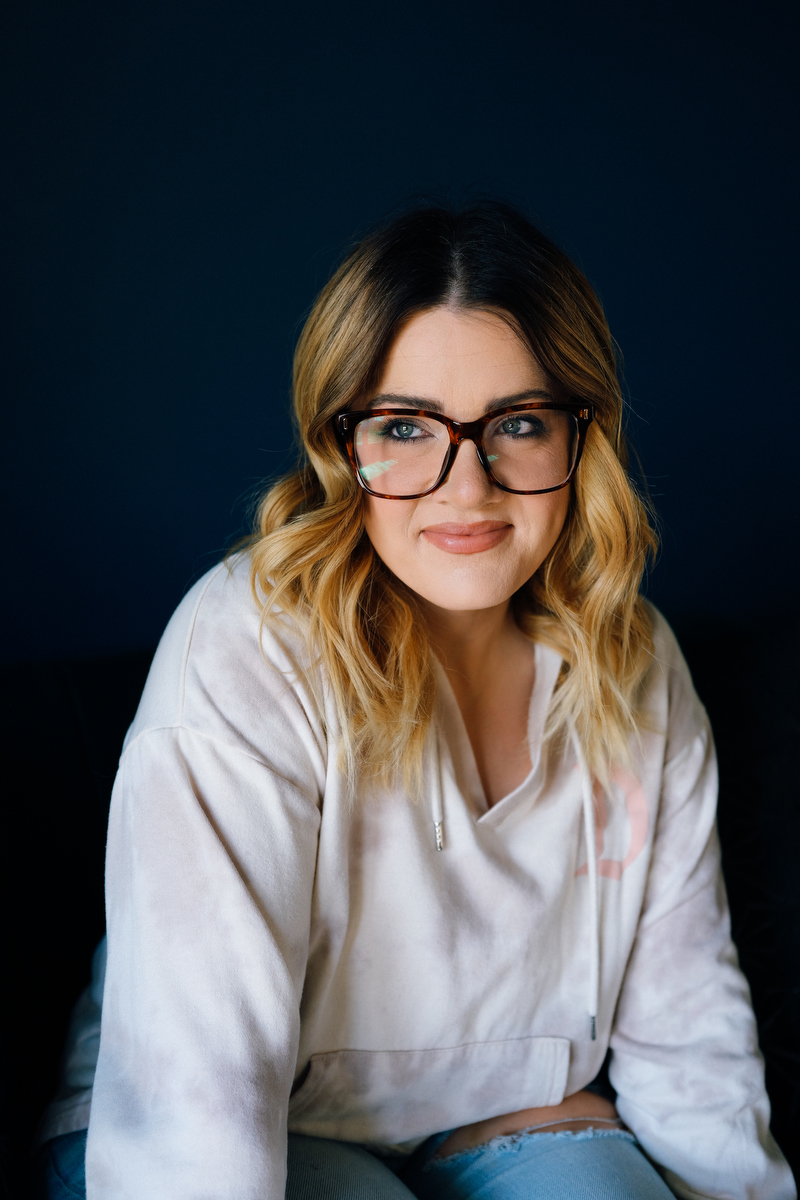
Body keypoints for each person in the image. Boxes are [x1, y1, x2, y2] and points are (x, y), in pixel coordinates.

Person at [34, 203, 794, 1199]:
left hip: (512, 1122)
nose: (465, 486)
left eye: (516, 424)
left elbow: (687, 1026)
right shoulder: (246, 648)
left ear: (582, 433)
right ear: (338, 447)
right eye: (404, 428)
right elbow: (197, 1089)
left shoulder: (635, 662)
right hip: (237, 1133)